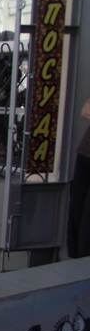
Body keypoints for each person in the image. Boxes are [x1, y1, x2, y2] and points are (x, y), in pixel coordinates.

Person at [67, 98, 90, 258]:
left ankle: (83, 259)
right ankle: (75, 258)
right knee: (77, 206)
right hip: (85, 153)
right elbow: (86, 110)